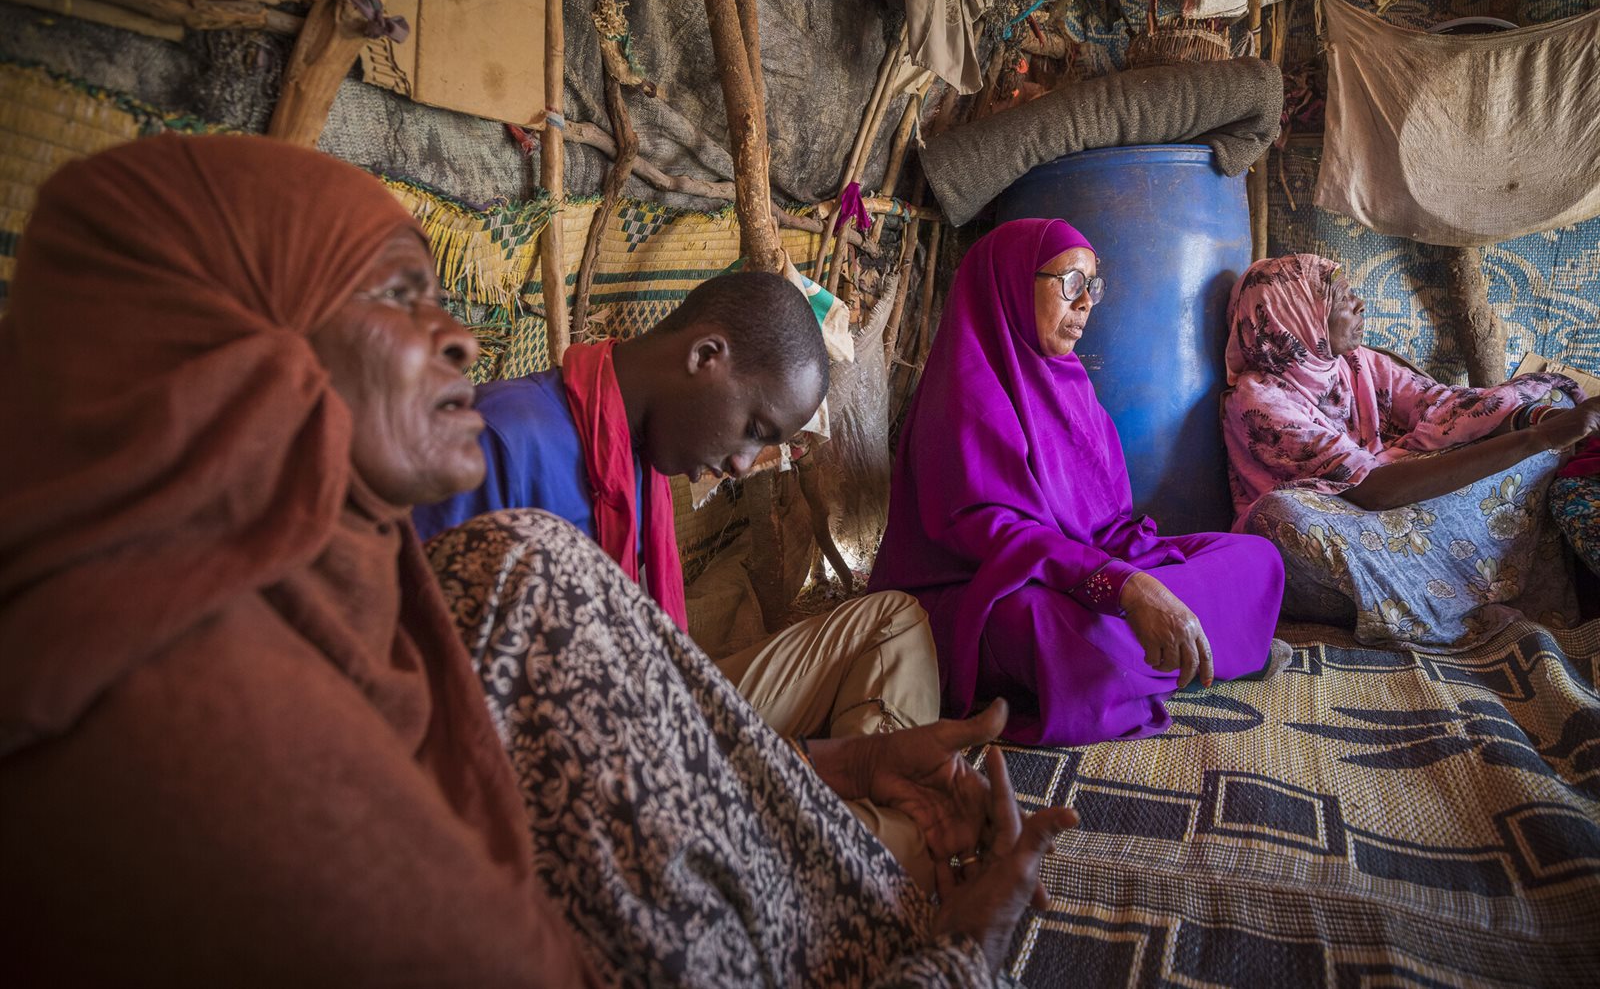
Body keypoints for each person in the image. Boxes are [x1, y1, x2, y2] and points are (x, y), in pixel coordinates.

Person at [0, 134, 1074, 986]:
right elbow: (554, 774)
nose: (460, 336)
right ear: (235, 362)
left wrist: (831, 767)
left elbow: (571, 738)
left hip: (617, 770)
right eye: (391, 293)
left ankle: (860, 819)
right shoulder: (489, 507)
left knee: (888, 634)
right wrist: (961, 957)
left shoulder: (377, 606)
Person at [413, 273, 944, 886]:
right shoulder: (503, 444)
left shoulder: (638, 456)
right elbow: (445, 715)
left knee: (895, 622)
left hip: (652, 714)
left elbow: (652, 682)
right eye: (756, 428)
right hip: (566, 778)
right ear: (705, 357)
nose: (745, 464)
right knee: (905, 836)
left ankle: (844, 840)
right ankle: (842, 855)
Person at [869, 218, 1287, 748]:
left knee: (1256, 558)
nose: (1087, 301)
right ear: (1012, 284)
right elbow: (993, 537)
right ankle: (1208, 644)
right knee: (1053, 631)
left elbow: (1105, 523)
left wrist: (1136, 572)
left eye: (1093, 286)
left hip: (1081, 567)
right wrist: (1124, 586)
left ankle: (1167, 653)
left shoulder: (1069, 383)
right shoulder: (964, 392)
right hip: (992, 588)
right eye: (1070, 282)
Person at [1222, 253, 1599, 647]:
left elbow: (1440, 404)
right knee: (1280, 520)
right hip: (1346, 527)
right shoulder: (1257, 402)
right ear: (1294, 313)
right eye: (1343, 296)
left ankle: (1444, 583)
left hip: (1395, 520)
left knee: (1549, 406)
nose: (1359, 305)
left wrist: (1536, 419)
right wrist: (1536, 440)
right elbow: (1374, 489)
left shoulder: (1353, 363)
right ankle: (1442, 591)